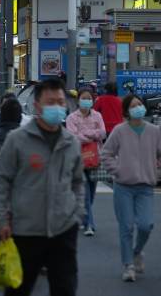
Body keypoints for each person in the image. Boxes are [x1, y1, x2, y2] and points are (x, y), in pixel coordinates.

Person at [0, 78, 84, 296]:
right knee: (18, 290)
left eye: (61, 102)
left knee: (65, 289)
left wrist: (77, 212)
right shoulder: (18, 139)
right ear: (37, 105)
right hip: (24, 231)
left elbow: (77, 182)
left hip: (63, 230)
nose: (57, 107)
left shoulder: (71, 142)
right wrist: (1, 219)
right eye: (50, 102)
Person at [102, 94, 161, 282]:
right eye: (133, 105)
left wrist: (157, 174)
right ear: (127, 111)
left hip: (146, 187)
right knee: (127, 227)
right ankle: (128, 265)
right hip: (123, 187)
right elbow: (106, 153)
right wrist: (117, 171)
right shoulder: (119, 131)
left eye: (139, 104)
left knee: (146, 225)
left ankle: (137, 251)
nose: (138, 107)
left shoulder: (154, 131)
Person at [65, 88, 106, 237]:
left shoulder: (97, 115)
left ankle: (84, 216)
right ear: (78, 100)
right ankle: (90, 224)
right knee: (86, 192)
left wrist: (85, 135)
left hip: (95, 158)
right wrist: (92, 136)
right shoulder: (71, 117)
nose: (87, 101)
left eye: (89, 98)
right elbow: (73, 136)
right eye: (84, 98)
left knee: (92, 190)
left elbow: (103, 132)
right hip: (78, 158)